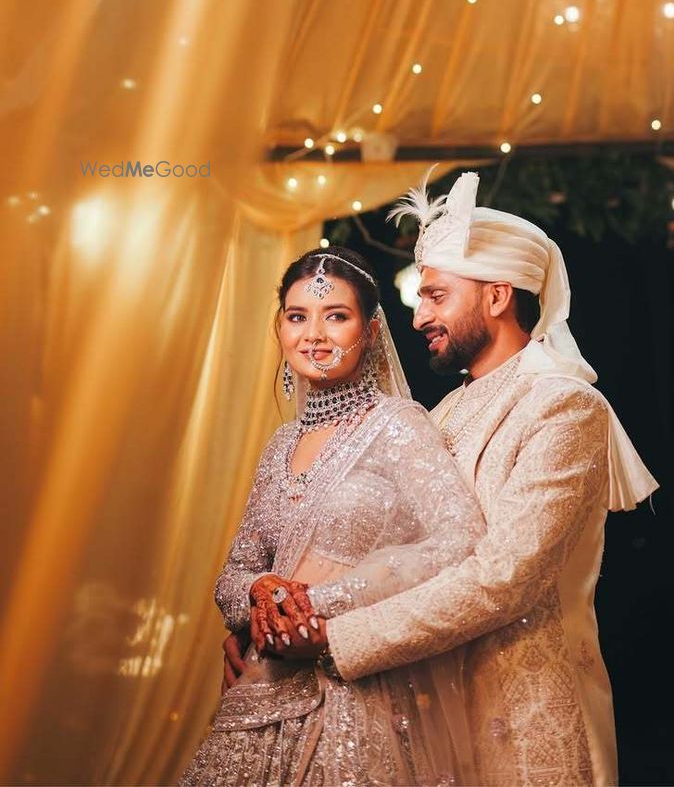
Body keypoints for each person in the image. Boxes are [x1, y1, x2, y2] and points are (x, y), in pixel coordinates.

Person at [289, 171, 657, 787]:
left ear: (497, 296)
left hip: (531, 723)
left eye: (436, 296)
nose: (418, 318)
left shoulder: (563, 406)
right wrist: (278, 619)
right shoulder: (439, 415)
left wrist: (332, 637)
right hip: (423, 722)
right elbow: (385, 554)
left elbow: (505, 577)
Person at [180, 246, 484, 786]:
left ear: (370, 332)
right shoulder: (280, 445)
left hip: (353, 698)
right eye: (298, 317)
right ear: (280, 329)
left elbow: (460, 538)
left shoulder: (397, 425)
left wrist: (319, 606)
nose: (314, 335)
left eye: (336, 316)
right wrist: (261, 592)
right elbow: (234, 575)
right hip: (261, 694)